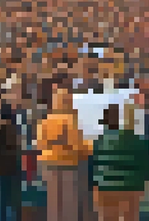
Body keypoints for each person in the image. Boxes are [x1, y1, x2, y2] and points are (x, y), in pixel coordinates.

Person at [40, 85, 94, 221]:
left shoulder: (46, 121)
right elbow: (77, 145)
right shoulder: (69, 120)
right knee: (68, 202)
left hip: (48, 164)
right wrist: (90, 147)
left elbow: (40, 143)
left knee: (53, 202)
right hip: (68, 164)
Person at [90, 103, 149, 221]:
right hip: (132, 187)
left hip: (106, 187)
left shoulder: (99, 141)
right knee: (130, 217)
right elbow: (144, 165)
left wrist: (95, 187)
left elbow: (93, 166)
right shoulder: (138, 140)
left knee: (108, 217)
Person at [0, 102, 24, 221]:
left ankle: (2, 217)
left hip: (1, 166)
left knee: (2, 196)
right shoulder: (15, 130)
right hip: (14, 164)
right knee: (15, 196)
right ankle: (17, 217)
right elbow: (18, 147)